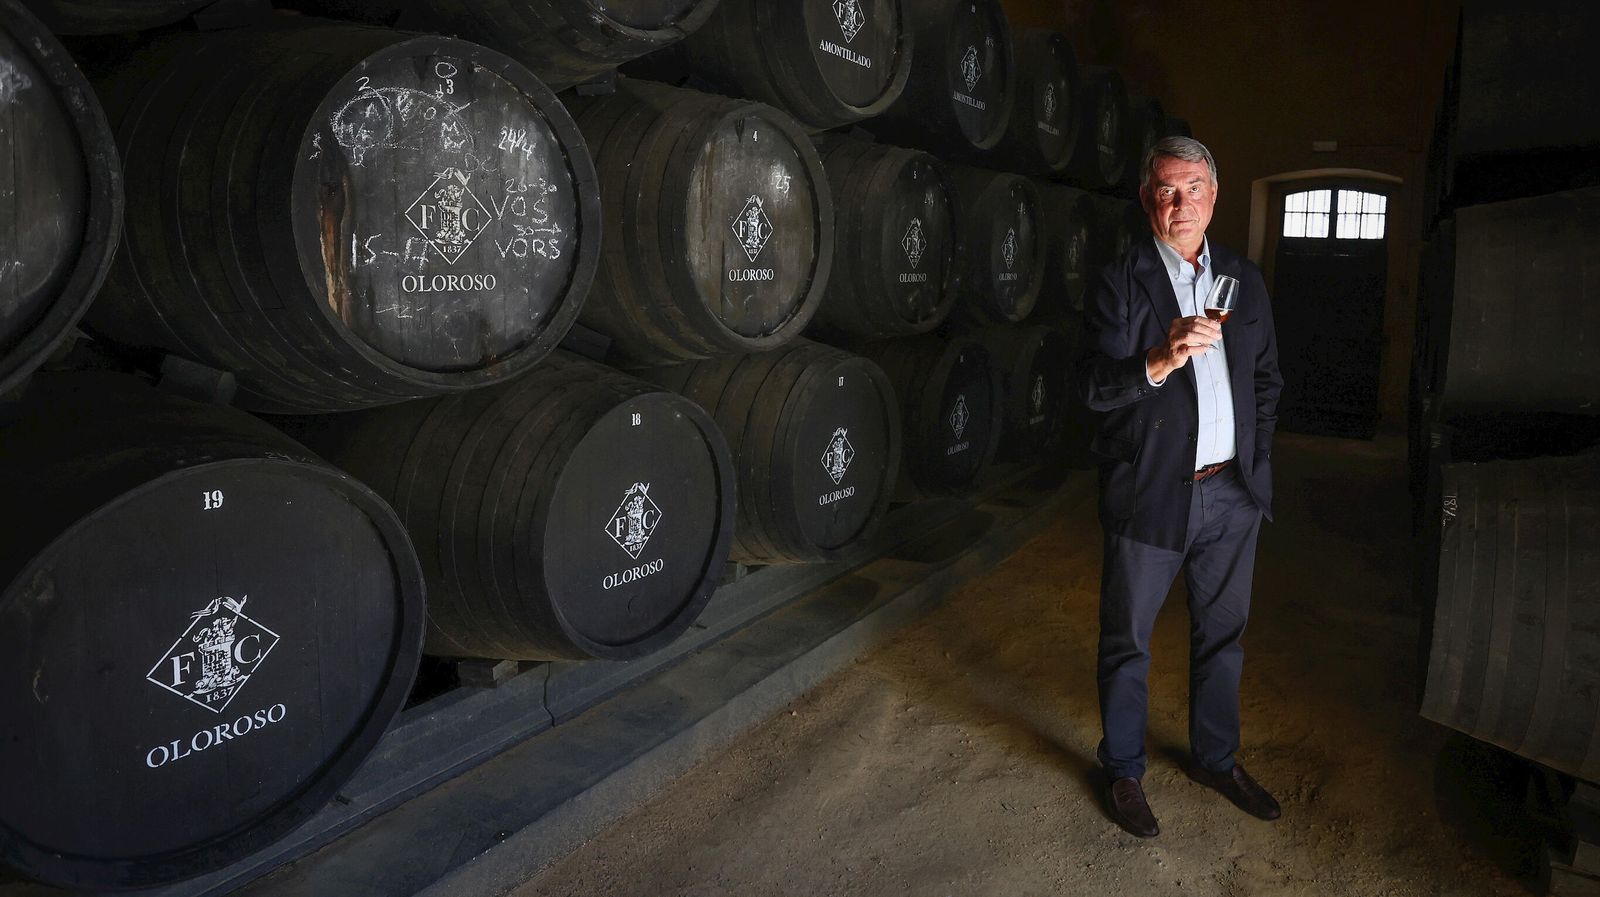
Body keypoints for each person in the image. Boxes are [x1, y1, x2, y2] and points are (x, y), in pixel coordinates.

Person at [1077, 136, 1283, 838]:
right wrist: (1159, 359)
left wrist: (1253, 465)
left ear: (1214, 196)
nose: (1181, 202)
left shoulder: (1244, 280)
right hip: (1152, 490)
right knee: (1128, 640)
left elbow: (1265, 381)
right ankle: (1125, 768)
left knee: (1223, 636)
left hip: (1231, 495)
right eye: (1166, 189)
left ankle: (1217, 757)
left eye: (1194, 188)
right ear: (1147, 200)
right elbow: (1095, 388)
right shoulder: (1119, 281)